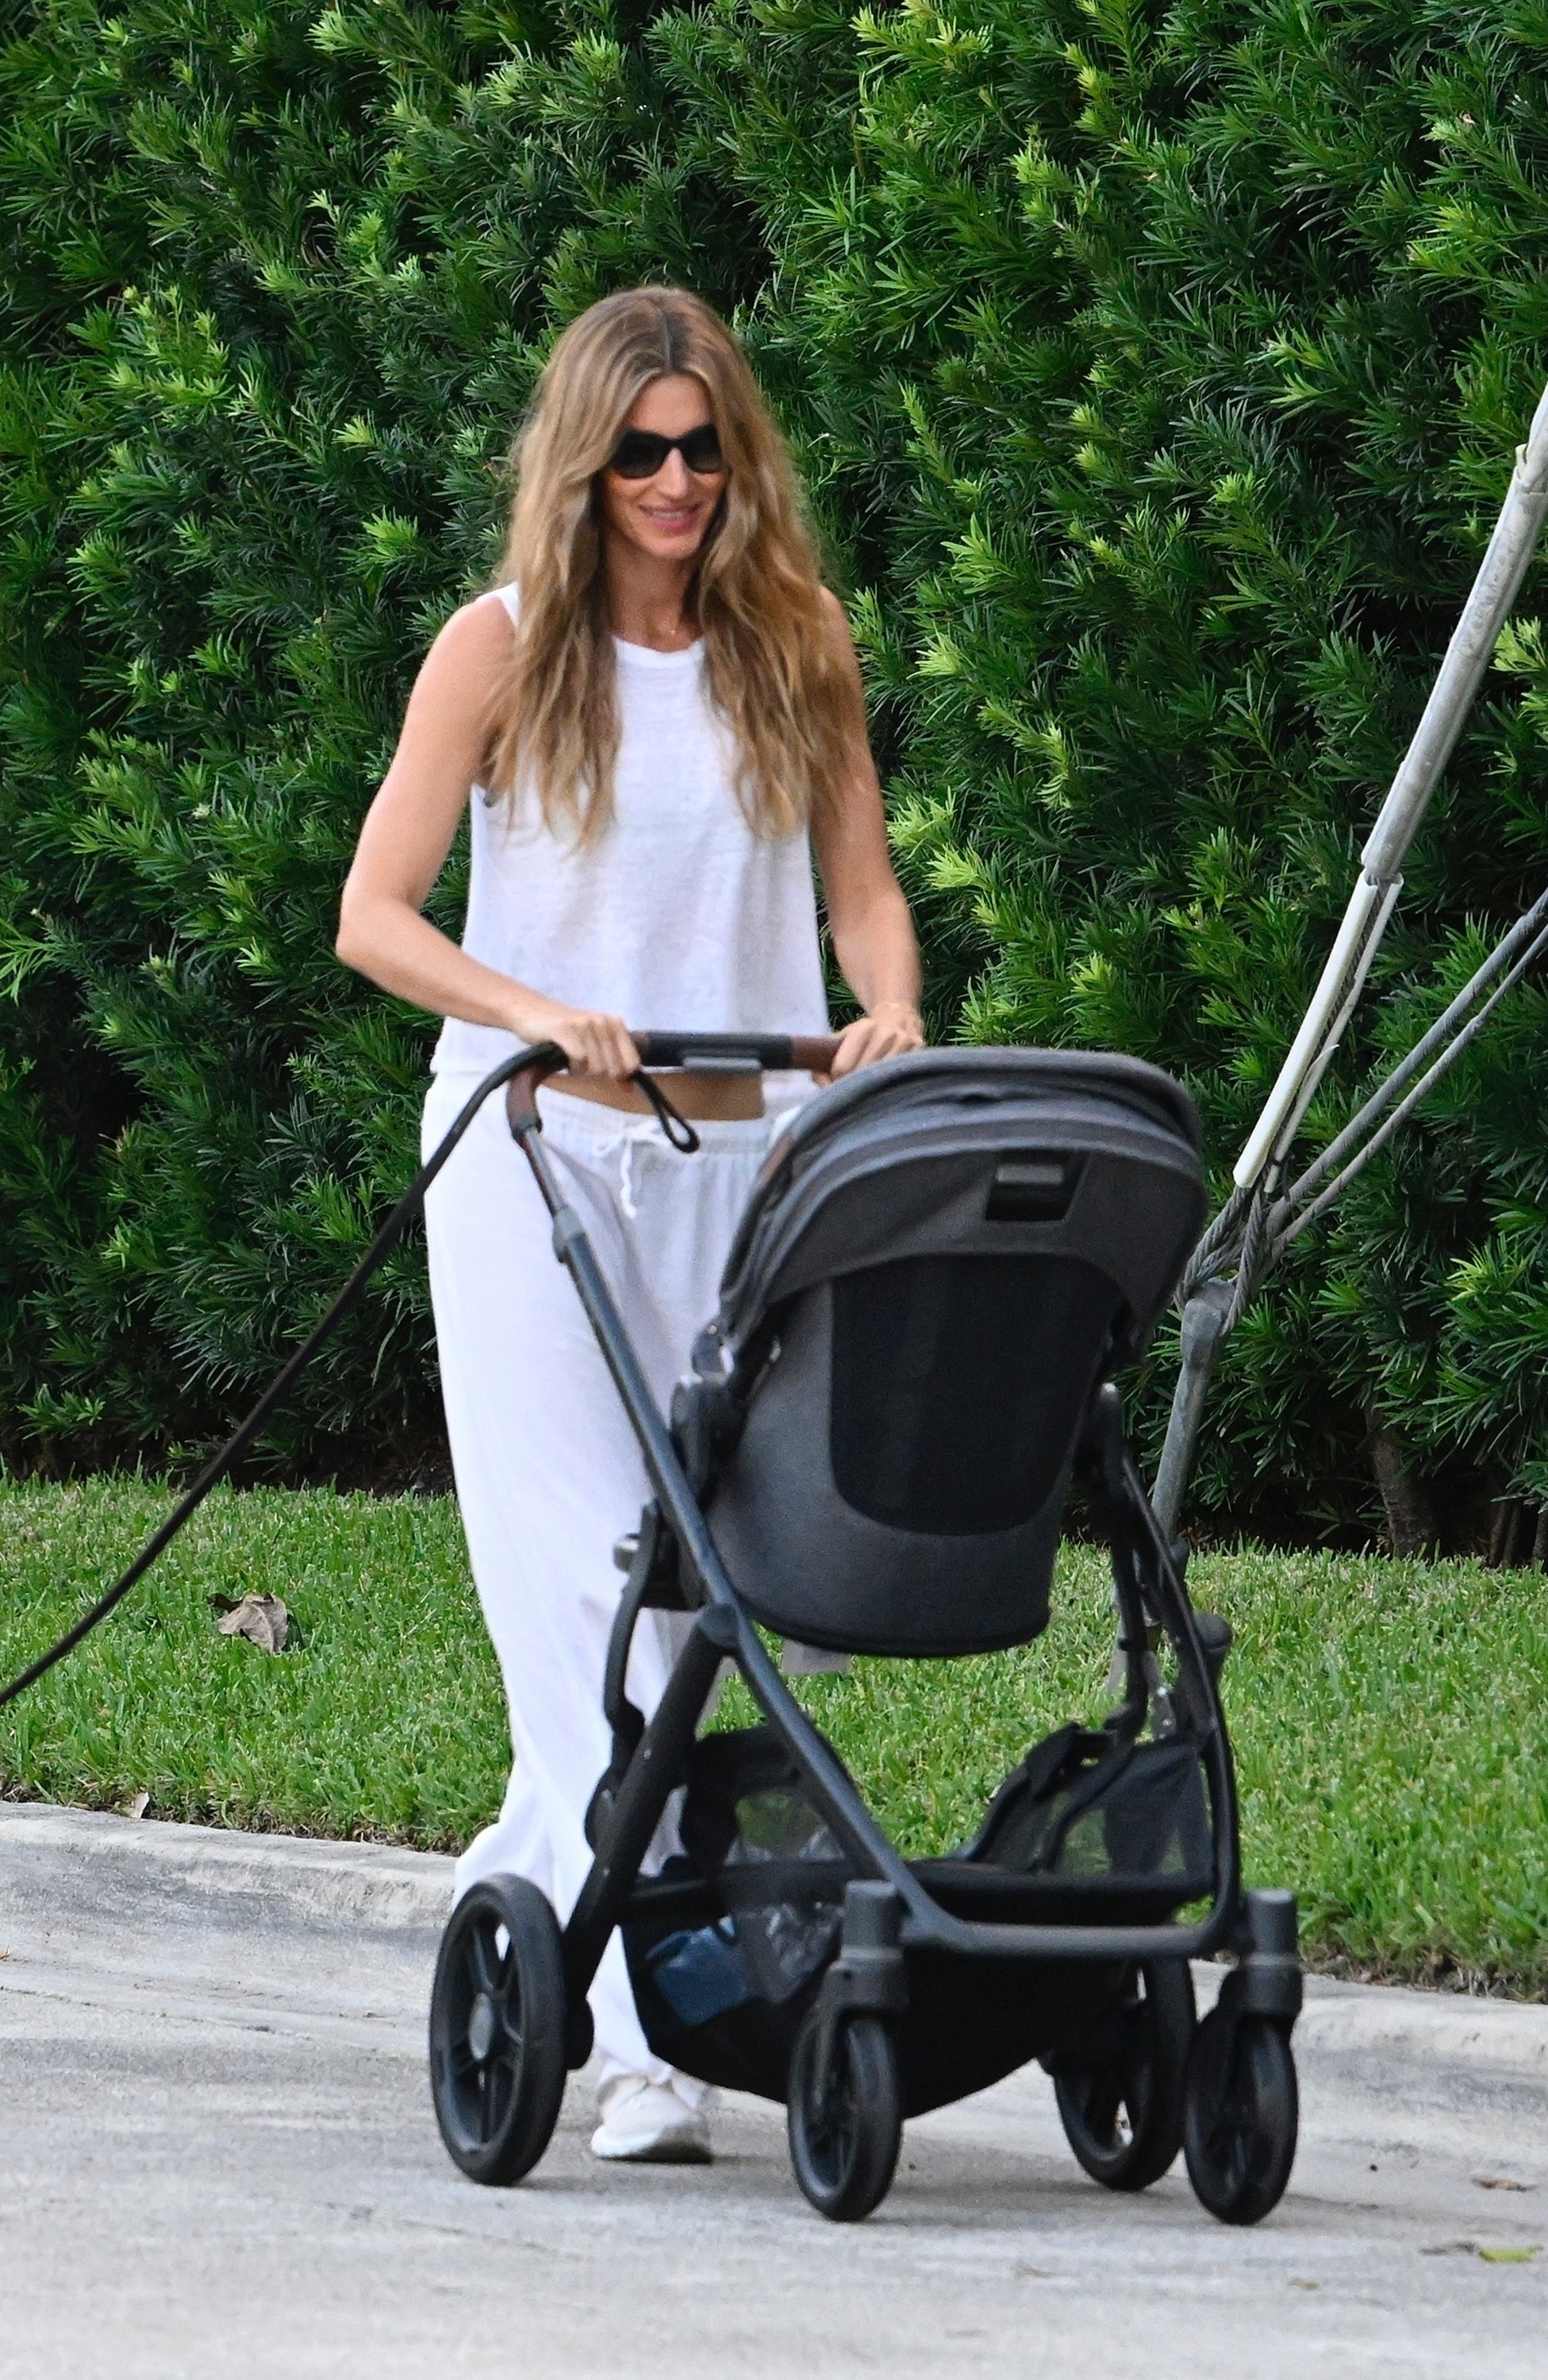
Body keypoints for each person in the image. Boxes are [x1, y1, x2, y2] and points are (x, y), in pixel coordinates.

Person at [336, 286, 924, 2163]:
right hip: (537, 1168)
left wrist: (892, 1011)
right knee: (589, 1593)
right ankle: (657, 2035)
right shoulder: (500, 652)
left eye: (704, 449)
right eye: (638, 455)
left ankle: (519, 1918)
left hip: (742, 1172)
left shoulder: (798, 646)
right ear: (581, 467)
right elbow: (379, 913)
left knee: (741, 1610)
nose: (675, 484)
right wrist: (526, 1008)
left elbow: (866, 897)